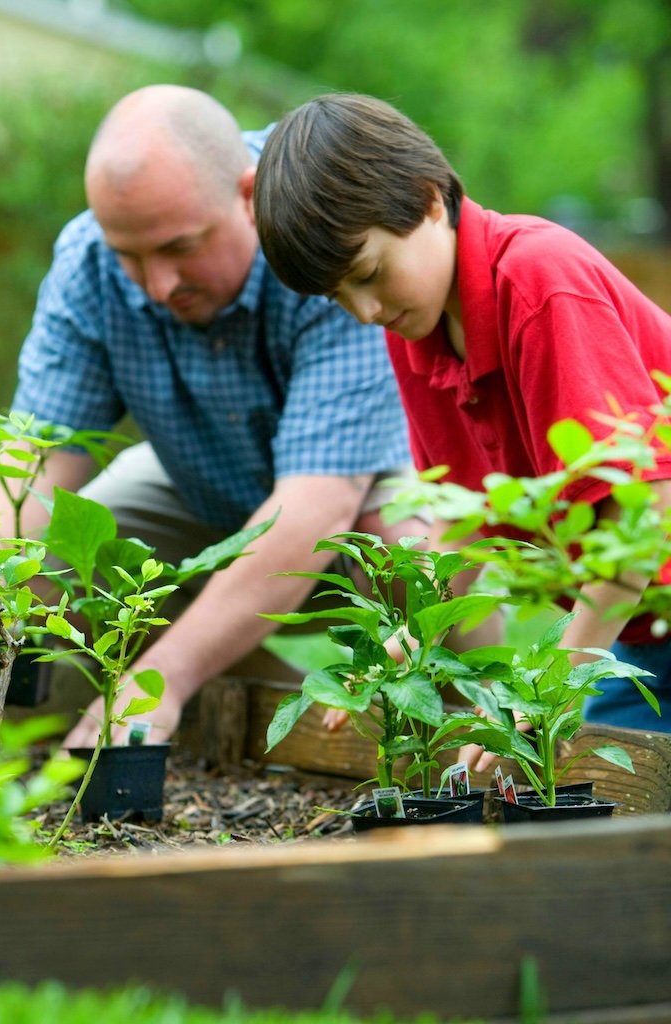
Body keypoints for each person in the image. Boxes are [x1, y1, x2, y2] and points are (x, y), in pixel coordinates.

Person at [0, 85, 418, 748]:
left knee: (412, 549)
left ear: (249, 196)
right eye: (130, 256)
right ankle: (259, 714)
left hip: (358, 489)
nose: (157, 285)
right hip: (198, 488)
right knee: (65, 555)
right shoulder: (87, 263)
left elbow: (317, 508)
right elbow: (34, 461)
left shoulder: (321, 232)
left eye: (180, 248)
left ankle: (449, 731)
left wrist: (159, 676)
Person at [252, 91, 671, 743]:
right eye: (338, 297)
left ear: (428, 199)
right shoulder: (413, 331)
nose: (363, 310)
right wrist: (399, 652)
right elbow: (464, 519)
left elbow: (643, 512)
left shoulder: (538, 283)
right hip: (642, 629)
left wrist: (545, 691)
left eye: (368, 273)